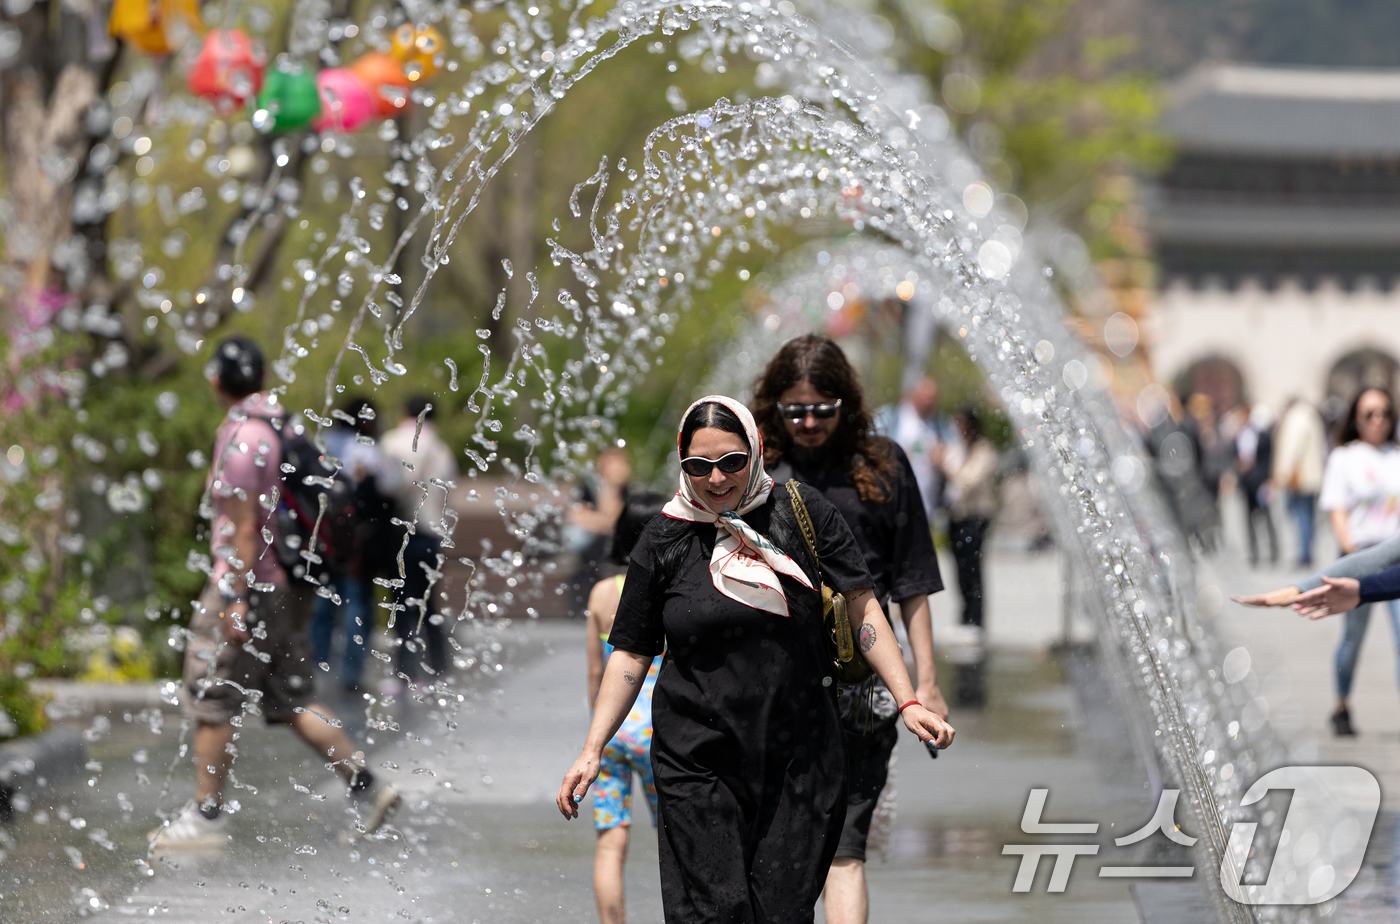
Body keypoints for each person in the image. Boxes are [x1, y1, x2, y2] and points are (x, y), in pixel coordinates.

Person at [556, 396, 954, 924]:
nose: (716, 479)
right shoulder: (665, 537)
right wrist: (592, 747)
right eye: (699, 467)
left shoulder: (800, 512)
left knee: (781, 913)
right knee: (716, 912)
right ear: (683, 464)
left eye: (732, 462)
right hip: (697, 756)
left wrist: (908, 698)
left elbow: (862, 605)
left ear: (756, 450)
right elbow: (631, 650)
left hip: (799, 756)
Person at [151, 337, 398, 851]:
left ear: (217, 381)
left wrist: (235, 598)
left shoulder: (243, 440)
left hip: (249, 585)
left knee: (212, 693)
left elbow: (244, 529)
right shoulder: (284, 426)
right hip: (288, 585)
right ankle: (367, 786)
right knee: (292, 699)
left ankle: (207, 817)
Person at [751, 334, 947, 924]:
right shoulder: (753, 468)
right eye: (794, 410)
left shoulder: (883, 465)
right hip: (773, 685)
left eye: (823, 409)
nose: (809, 422)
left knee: (844, 851)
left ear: (847, 404)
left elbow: (912, 582)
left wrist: (926, 682)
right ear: (773, 406)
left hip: (864, 683)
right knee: (777, 850)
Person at [1233, 388, 1400, 737]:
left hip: (1394, 559)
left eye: (1383, 412)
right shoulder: (1345, 457)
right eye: (1369, 413)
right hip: (1358, 557)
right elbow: (1337, 511)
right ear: (1356, 417)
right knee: (1353, 640)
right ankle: (1342, 703)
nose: (1378, 420)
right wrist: (1344, 558)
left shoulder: (1396, 455)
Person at [583, 493, 668, 924]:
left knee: (610, 841)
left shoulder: (601, 593)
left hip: (614, 732)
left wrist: (595, 736)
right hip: (662, 732)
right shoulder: (674, 589)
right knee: (676, 841)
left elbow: (596, 673)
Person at [377, 394, 458, 694]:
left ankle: (404, 673)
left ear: (404, 412)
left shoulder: (395, 441)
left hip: (403, 530)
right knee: (429, 601)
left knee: (400, 603)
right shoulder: (442, 448)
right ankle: (439, 669)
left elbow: (389, 485)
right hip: (433, 533)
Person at [309, 396, 384, 693]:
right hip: (356, 542)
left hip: (323, 538)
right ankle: (351, 674)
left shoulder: (322, 443)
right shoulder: (367, 451)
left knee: (323, 603)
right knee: (355, 605)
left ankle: (316, 668)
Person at [937, 408, 998, 631]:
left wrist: (944, 466)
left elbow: (968, 480)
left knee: (972, 568)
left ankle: (975, 619)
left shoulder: (984, 451)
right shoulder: (957, 447)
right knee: (959, 568)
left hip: (975, 517)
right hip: (957, 517)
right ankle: (964, 616)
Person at [567, 445, 633, 618]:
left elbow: (617, 517)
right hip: (587, 539)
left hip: (605, 540)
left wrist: (612, 488)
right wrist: (607, 486)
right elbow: (577, 515)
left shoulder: (626, 489)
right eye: (611, 462)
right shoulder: (589, 486)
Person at [1272, 399, 1327, 567]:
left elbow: (1292, 449)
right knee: (1308, 515)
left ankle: (1304, 554)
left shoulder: (1296, 418)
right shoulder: (1312, 416)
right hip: (1311, 475)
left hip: (1300, 476)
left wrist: (1283, 473)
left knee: (1300, 515)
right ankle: (1307, 551)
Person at [1235, 404, 1278, 568]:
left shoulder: (1263, 436)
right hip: (1247, 483)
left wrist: (1269, 480)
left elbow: (1268, 459)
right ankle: (1254, 553)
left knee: (1267, 517)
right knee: (1249, 520)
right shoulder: (1240, 435)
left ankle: (1273, 551)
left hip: (1260, 482)